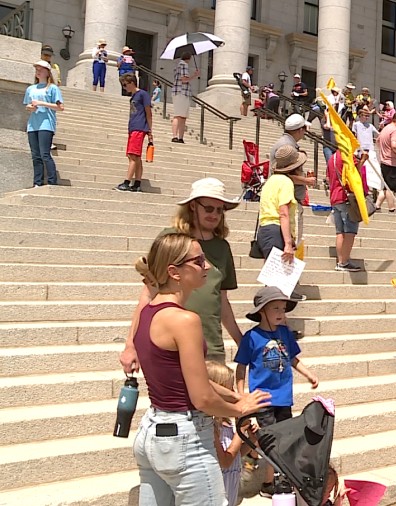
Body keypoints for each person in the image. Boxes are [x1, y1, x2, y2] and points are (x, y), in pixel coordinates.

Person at [131, 233, 271, 505]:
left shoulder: (148, 311)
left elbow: (184, 379)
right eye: (198, 261)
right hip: (185, 439)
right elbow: (202, 398)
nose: (207, 266)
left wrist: (234, 397)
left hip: (152, 431)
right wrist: (239, 410)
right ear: (174, 272)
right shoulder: (185, 320)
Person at [118, 178, 243, 370]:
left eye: (220, 210)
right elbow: (148, 293)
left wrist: (241, 343)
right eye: (209, 208)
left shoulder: (222, 247)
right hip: (170, 346)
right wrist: (131, 344)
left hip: (211, 347)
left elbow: (222, 301)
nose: (215, 214)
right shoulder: (170, 240)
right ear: (193, 206)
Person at [235, 286, 319, 498]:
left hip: (283, 398)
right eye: (275, 309)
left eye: (283, 308)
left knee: (279, 441)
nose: (281, 313)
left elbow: (292, 359)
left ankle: (268, 482)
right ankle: (251, 459)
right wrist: (242, 395)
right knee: (266, 438)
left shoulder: (285, 333)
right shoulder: (251, 337)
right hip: (261, 398)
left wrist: (308, 374)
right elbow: (241, 367)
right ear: (262, 311)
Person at [206, 361, 249, 506]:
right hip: (217, 493)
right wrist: (240, 432)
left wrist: (251, 440)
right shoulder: (211, 425)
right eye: (229, 388)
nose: (234, 393)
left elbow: (235, 455)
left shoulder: (226, 422)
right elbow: (225, 462)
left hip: (230, 490)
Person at [257, 146, 310, 263]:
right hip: (277, 230)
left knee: (272, 275)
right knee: (279, 277)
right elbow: (283, 213)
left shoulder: (270, 181)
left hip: (265, 229)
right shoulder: (286, 182)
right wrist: (288, 243)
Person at [24, 60, 63, 188]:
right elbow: (27, 105)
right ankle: (37, 182)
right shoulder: (30, 88)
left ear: (47, 72)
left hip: (46, 124)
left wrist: (41, 103)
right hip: (32, 125)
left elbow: (60, 107)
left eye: (41, 69)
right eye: (37, 69)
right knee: (35, 155)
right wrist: (30, 107)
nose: (38, 71)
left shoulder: (52, 88)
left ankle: (52, 181)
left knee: (45, 154)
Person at [326, 151, 364, 272]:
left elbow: (328, 177)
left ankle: (341, 260)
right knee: (350, 231)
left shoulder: (332, 157)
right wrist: (362, 161)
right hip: (346, 198)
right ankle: (344, 262)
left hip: (335, 197)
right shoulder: (348, 157)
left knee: (340, 231)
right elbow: (354, 175)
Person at [116, 73, 152, 192]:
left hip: (139, 128)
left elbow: (148, 112)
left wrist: (150, 130)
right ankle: (137, 182)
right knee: (136, 157)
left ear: (132, 83)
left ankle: (127, 182)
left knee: (133, 156)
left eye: (125, 85)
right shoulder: (133, 97)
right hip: (133, 128)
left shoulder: (142, 94)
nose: (124, 87)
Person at [377, 111, 396, 210]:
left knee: (386, 185)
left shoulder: (385, 129)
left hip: (384, 161)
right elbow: (394, 145)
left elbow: (377, 141)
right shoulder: (395, 131)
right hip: (393, 163)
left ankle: (377, 204)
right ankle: (391, 208)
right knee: (392, 187)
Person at [171, 54, 199, 143]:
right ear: (189, 58)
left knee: (182, 116)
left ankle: (180, 137)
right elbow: (184, 79)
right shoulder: (183, 65)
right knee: (179, 115)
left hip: (182, 92)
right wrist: (195, 75)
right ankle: (176, 136)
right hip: (181, 92)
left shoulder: (179, 65)